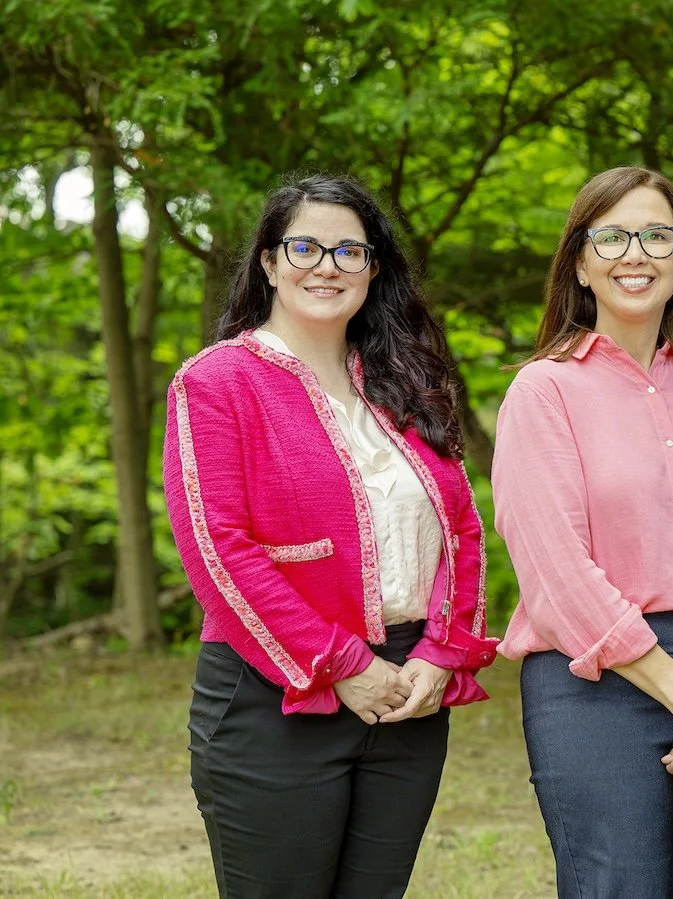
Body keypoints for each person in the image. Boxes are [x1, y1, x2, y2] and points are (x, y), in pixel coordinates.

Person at [163, 174, 499, 899]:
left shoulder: (405, 378)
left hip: (409, 694)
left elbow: (462, 529)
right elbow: (218, 550)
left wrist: (443, 651)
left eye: (350, 249)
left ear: (374, 268)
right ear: (269, 261)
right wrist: (342, 663)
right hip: (274, 699)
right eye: (306, 246)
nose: (327, 265)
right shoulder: (218, 381)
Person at [491, 166, 673, 898]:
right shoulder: (544, 390)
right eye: (612, 236)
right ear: (582, 265)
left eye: (658, 235)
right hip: (595, 684)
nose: (636, 252)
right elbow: (557, 573)